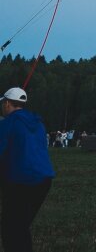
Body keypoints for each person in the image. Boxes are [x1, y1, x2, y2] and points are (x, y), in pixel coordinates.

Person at [0, 87, 54, 252]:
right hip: (44, 180)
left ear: (8, 103)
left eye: (3, 103)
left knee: (11, 228)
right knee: (20, 225)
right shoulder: (38, 123)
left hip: (22, 180)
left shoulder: (7, 123)